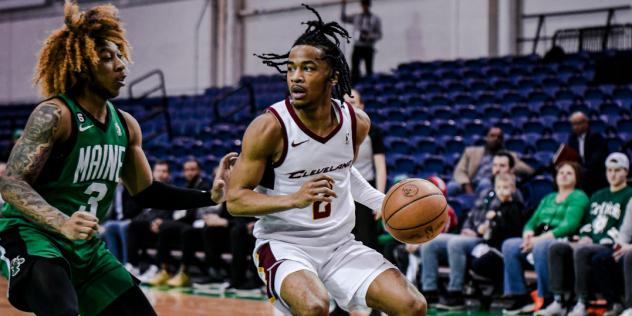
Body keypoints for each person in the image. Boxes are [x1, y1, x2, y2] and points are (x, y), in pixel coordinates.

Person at [0, 2, 235, 315]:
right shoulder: (55, 115)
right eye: (108, 59)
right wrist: (62, 222)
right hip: (32, 236)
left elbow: (147, 191)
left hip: (84, 245)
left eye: (120, 55)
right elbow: (12, 183)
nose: (122, 65)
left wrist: (209, 196)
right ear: (82, 67)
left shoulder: (125, 125)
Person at [227, 5, 426, 315]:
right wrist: (294, 199)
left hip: (340, 245)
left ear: (333, 76)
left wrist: (384, 204)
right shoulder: (269, 127)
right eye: (291, 68)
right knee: (315, 306)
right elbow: (235, 200)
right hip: (283, 244)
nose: (295, 77)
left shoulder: (356, 122)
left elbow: (344, 175)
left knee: (412, 306)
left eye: (307, 68)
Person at [420, 150, 524, 310]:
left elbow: (508, 222)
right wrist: (467, 228)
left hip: (487, 238)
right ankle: (430, 291)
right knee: (431, 243)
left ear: (510, 169)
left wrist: (478, 231)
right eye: (495, 165)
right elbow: (472, 214)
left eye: (502, 166)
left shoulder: (513, 192)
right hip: (470, 234)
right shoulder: (487, 190)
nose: (497, 169)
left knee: (455, 243)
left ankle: (456, 293)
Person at [537, 153, 632, 316]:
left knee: (582, 251)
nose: (612, 174)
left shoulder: (629, 194)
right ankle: (558, 301)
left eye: (617, 170)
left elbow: (625, 228)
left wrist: (608, 241)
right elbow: (587, 222)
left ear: (626, 172)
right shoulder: (597, 195)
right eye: (609, 170)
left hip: (608, 242)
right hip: (591, 241)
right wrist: (584, 236)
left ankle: (581, 302)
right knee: (557, 248)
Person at [501, 162, 589, 315]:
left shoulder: (579, 196)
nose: (564, 175)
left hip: (563, 239)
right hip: (538, 237)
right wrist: (528, 234)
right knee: (509, 245)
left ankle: (547, 298)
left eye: (569, 173)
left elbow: (570, 225)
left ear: (576, 178)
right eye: (561, 172)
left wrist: (539, 239)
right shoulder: (549, 198)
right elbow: (531, 221)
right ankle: (521, 297)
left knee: (543, 246)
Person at [145, 158, 214, 287]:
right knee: (165, 228)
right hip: (186, 223)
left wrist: (170, 222)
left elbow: (191, 215)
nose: (189, 173)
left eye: (193, 169)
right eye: (187, 170)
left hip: (199, 225)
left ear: (199, 171)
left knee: (177, 229)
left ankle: (184, 272)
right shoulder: (186, 187)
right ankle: (163, 269)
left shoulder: (204, 186)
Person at [345, 89, 386, 251]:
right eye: (345, 104)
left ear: (361, 105)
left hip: (365, 191)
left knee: (367, 242)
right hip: (342, 191)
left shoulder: (373, 131)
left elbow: (380, 167)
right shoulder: (332, 131)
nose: (349, 106)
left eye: (353, 102)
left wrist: (379, 202)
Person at [470, 172, 527, 286]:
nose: (501, 191)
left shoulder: (515, 207)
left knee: (480, 264)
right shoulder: (497, 206)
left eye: (505, 187)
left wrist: (496, 218)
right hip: (493, 246)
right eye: (498, 187)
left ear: (513, 189)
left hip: (504, 249)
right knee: (471, 260)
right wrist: (486, 227)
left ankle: (501, 285)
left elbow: (513, 230)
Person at [449, 127, 533, 196]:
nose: (495, 139)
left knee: (484, 183)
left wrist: (511, 166)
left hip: (489, 184)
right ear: (487, 138)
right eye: (492, 136)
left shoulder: (508, 156)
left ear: (502, 140)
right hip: (469, 183)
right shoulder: (471, 152)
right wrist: (467, 186)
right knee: (452, 186)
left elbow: (529, 171)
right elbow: (459, 171)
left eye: (499, 137)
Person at [340, 0, 382, 85]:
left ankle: (369, 87)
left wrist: (370, 37)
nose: (365, 7)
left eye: (366, 5)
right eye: (363, 5)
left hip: (368, 46)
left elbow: (379, 34)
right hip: (358, 46)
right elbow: (343, 18)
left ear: (369, 6)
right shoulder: (356, 17)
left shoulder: (375, 19)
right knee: (355, 69)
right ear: (362, 6)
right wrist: (343, 6)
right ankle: (355, 87)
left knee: (369, 69)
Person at [567, 111, 609, 196]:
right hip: (581, 170)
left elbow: (597, 160)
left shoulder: (596, 137)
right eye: (573, 124)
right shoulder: (572, 138)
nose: (575, 127)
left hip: (596, 171)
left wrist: (580, 168)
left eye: (577, 124)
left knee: (584, 174)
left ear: (585, 123)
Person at [100, 183, 141, 264]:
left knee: (123, 226)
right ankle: (114, 263)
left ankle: (127, 263)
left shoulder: (132, 189)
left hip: (131, 219)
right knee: (108, 226)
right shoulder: (115, 189)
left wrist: (133, 219)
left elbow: (138, 208)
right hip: (117, 220)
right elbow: (112, 211)